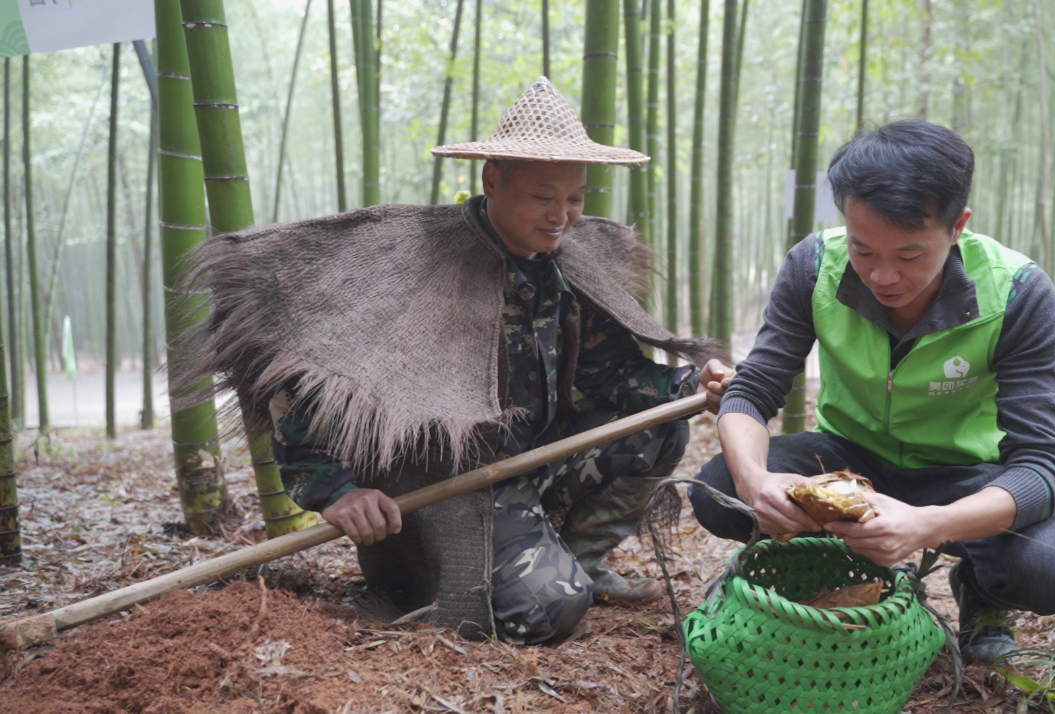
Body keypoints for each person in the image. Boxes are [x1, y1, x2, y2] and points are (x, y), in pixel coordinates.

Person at [187, 78, 733, 645]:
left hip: (540, 459)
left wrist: (696, 382)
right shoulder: (414, 260)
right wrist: (334, 490)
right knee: (546, 616)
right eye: (543, 197)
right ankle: (499, 576)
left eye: (575, 198)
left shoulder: (568, 264)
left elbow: (612, 375)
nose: (562, 216)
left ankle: (579, 560)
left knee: (661, 421)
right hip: (455, 480)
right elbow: (304, 377)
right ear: (491, 180)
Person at [688, 120, 1055, 663]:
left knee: (1051, 569)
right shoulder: (813, 266)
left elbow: (1043, 468)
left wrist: (927, 525)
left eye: (908, 256)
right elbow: (754, 389)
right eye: (863, 250)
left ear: (957, 228)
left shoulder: (1018, 292)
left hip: (963, 473)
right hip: (845, 464)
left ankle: (982, 592)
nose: (882, 276)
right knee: (718, 487)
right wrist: (755, 480)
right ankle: (834, 576)